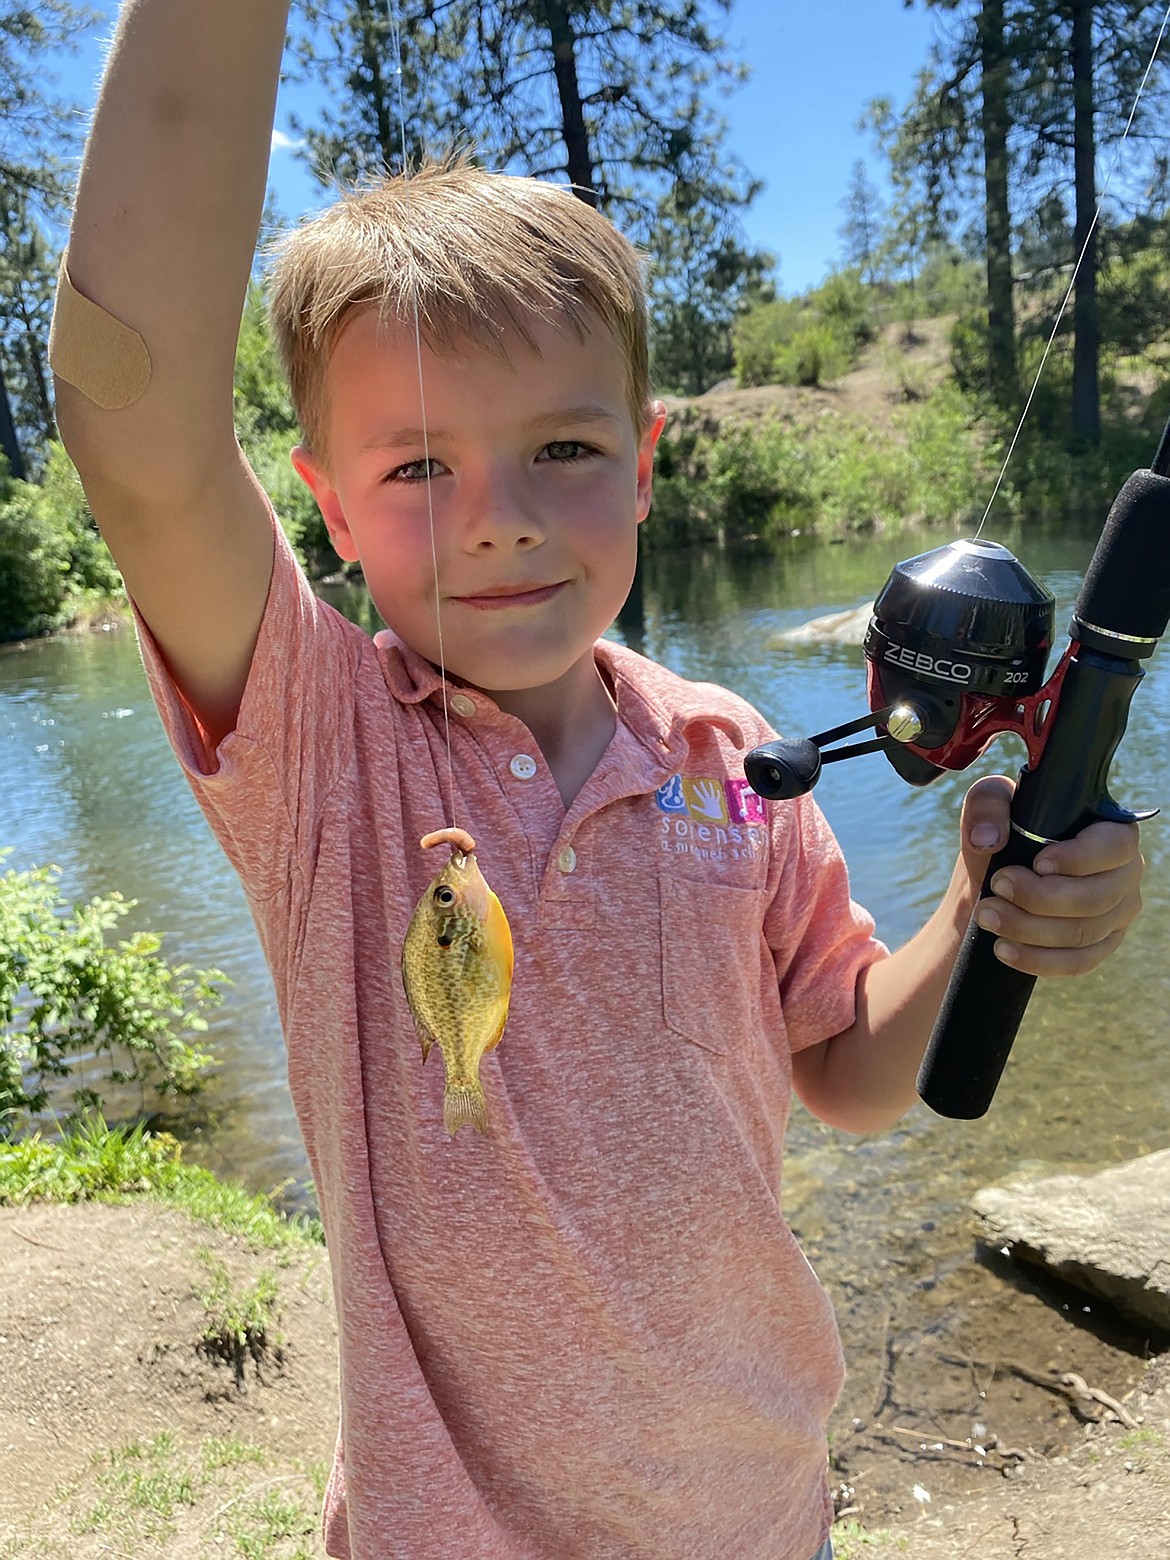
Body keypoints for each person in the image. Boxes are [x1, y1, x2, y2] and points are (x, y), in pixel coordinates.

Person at [50, 5, 1144, 1558]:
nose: (497, 519)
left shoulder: (726, 756)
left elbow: (848, 1074)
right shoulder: (322, 753)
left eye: (561, 449)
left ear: (639, 465)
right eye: (418, 468)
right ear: (330, 513)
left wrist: (980, 899)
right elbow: (132, 412)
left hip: (763, 1514)